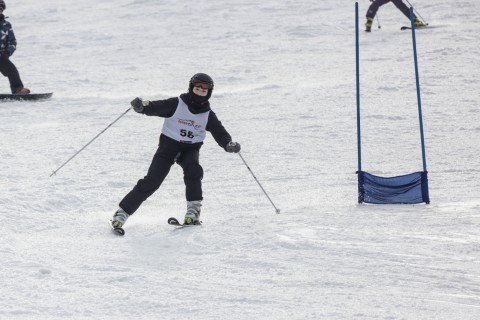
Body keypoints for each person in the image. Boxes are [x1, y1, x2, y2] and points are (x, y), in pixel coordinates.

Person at [111, 73, 241, 228]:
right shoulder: (177, 104)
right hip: (168, 148)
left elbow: (219, 132)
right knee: (153, 180)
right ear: (191, 88)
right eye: (197, 88)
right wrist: (142, 107)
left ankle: (193, 212)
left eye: (203, 91)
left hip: (190, 149)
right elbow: (156, 107)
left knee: (194, 169)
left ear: (208, 93)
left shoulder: (207, 114)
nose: (199, 92)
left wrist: (228, 144)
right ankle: (122, 213)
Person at [0, 0, 29, 94]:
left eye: (0, 9)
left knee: (12, 71)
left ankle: (18, 90)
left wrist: (7, 53)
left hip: (1, 56)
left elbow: (12, 41)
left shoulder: (6, 25)